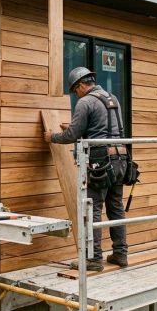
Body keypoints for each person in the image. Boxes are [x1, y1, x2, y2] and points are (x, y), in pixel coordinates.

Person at [43, 67, 129, 272]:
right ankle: (120, 254)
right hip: (120, 159)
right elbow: (107, 129)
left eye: (75, 90)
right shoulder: (112, 98)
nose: (76, 94)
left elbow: (71, 136)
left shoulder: (85, 102)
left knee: (93, 210)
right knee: (116, 209)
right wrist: (76, 129)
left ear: (81, 85)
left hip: (100, 163)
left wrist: (52, 137)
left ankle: (94, 259)